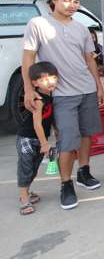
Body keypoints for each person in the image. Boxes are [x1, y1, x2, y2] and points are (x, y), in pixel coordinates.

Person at [22, 0, 104, 210]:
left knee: (87, 134)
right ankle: (66, 184)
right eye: (67, 0)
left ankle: (84, 172)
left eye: (76, 2)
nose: (72, 5)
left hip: (86, 89)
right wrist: (29, 89)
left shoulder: (81, 28)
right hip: (61, 94)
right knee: (67, 141)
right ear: (54, 0)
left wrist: (98, 86)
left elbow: (89, 59)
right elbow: (28, 58)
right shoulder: (37, 24)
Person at [16, 61, 59, 215]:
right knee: (26, 168)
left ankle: (26, 193)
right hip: (27, 138)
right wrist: (45, 143)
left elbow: (50, 117)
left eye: (53, 78)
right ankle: (24, 200)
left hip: (39, 139)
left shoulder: (50, 96)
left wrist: (55, 131)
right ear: (34, 83)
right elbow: (37, 124)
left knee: (33, 169)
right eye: (44, 79)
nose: (50, 82)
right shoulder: (38, 99)